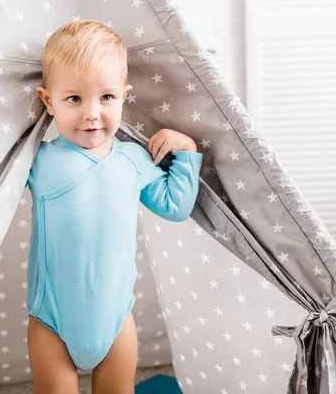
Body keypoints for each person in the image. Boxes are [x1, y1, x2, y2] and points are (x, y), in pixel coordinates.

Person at [25, 20, 203, 394]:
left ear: (124, 96)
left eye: (106, 98)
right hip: (51, 322)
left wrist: (186, 152)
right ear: (48, 100)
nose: (92, 113)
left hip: (117, 320)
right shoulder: (37, 160)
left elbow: (175, 206)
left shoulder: (134, 159)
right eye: (74, 99)